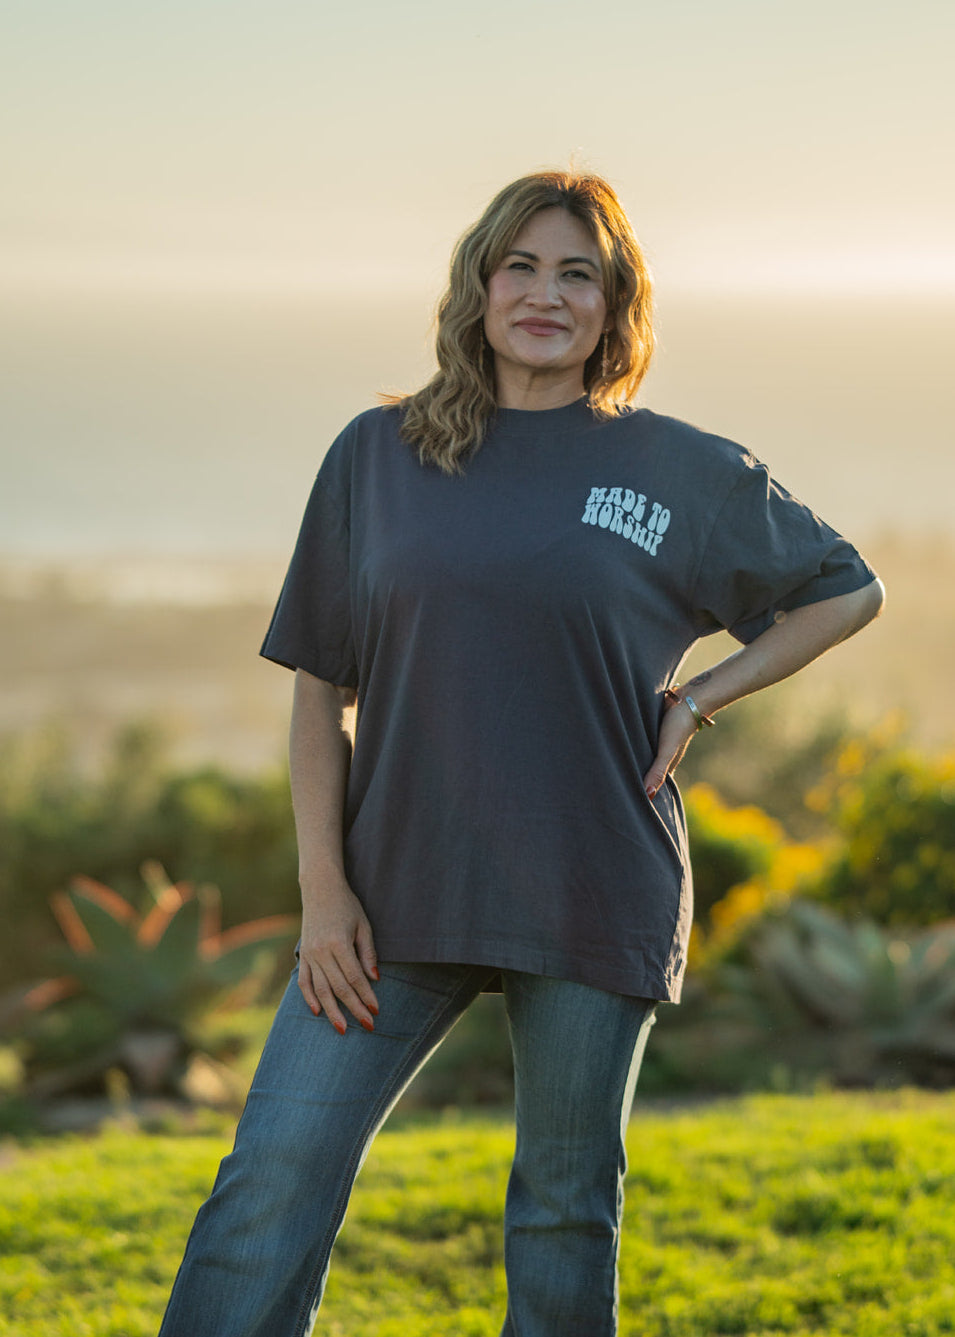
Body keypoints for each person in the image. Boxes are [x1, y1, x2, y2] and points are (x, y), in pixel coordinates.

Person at [158, 170, 884, 1337]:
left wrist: (699, 697)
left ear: (613, 307)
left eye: (576, 274)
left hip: (594, 881)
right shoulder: (379, 455)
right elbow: (317, 688)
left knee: (560, 1216)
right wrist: (323, 891)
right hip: (390, 896)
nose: (545, 295)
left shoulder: (679, 469)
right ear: (479, 288)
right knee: (269, 1182)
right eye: (522, 268)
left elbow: (847, 589)